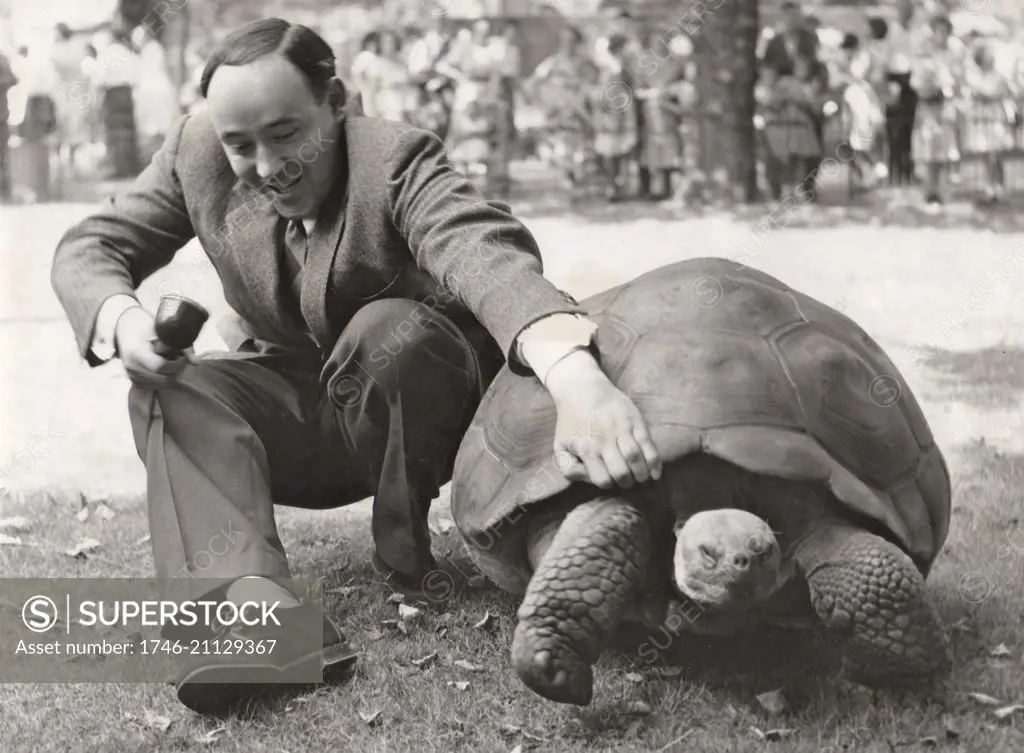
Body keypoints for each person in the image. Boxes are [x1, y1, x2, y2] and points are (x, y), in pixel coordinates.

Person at [50, 18, 662, 717]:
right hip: (302, 420)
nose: (266, 165)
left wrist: (577, 378)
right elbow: (92, 245)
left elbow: (486, 254)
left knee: (390, 330)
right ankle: (250, 621)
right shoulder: (196, 153)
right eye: (240, 144)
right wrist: (125, 324)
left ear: (336, 100)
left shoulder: (397, 160)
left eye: (286, 134)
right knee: (171, 385)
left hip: (418, 415)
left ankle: (406, 562)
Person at [0, 48, 17, 202]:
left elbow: (12, 80)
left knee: (3, 155)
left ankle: (5, 191)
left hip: (1, 115)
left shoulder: (2, 59)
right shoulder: (3, 58)